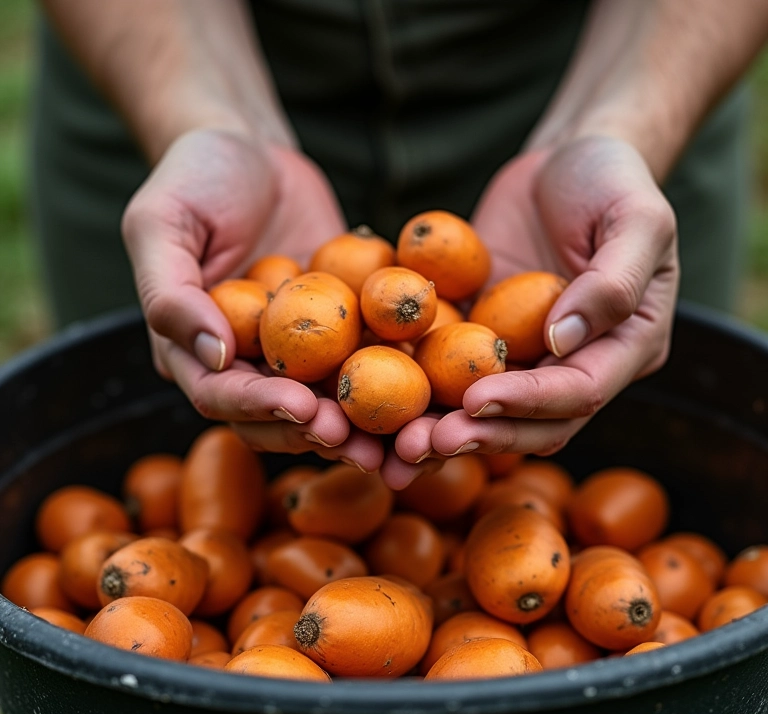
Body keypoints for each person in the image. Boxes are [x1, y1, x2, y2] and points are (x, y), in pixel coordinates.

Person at [29, 0, 768, 489]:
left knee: (637, 459)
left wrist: (619, 126)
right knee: (153, 454)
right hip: (159, 43)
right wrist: (204, 115)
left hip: (627, 45)